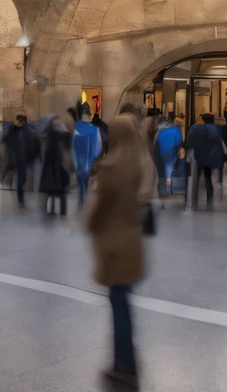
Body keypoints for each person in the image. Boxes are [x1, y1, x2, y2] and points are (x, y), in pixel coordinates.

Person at [85, 108, 154, 387]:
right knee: (124, 300)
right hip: (132, 241)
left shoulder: (112, 167)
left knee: (118, 303)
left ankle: (124, 364)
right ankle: (128, 360)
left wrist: (88, 221)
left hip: (114, 243)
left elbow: (99, 212)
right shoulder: (138, 163)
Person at [183, 113, 223, 206]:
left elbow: (191, 142)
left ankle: (195, 198)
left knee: (197, 178)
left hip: (199, 155)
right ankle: (209, 198)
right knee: (208, 178)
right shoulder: (216, 129)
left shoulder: (198, 128)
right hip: (210, 156)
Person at [39, 113, 73, 216]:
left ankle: (51, 210)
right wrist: (66, 129)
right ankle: (59, 211)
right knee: (59, 191)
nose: (59, 122)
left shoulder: (49, 134)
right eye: (57, 120)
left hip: (54, 166)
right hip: (55, 167)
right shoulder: (54, 132)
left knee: (52, 192)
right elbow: (68, 139)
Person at [2, 115, 38, 205]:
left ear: (21, 121)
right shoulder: (23, 130)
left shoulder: (23, 131)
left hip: (21, 159)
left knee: (21, 180)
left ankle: (20, 199)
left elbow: (7, 140)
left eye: (17, 120)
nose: (15, 122)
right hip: (24, 159)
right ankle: (20, 199)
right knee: (21, 179)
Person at [72, 103, 102, 207]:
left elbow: (72, 147)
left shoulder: (75, 128)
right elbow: (97, 147)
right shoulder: (94, 130)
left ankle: (81, 202)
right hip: (88, 161)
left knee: (81, 182)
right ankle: (83, 203)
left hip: (78, 161)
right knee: (85, 182)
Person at [154, 112, 183, 198]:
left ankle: (162, 187)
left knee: (161, 169)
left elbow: (155, 141)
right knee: (169, 167)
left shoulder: (160, 130)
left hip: (160, 151)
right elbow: (179, 142)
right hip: (171, 152)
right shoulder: (175, 130)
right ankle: (168, 186)